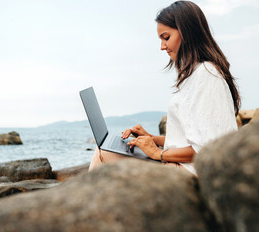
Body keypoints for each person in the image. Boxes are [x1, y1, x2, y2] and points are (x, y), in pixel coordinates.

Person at [88, 1, 240, 175]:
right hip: (183, 166)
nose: (162, 46)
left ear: (187, 32)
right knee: (106, 153)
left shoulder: (207, 74)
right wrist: (153, 140)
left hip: (190, 173)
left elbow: (207, 147)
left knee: (103, 154)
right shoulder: (197, 74)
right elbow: (192, 139)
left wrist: (157, 153)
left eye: (166, 37)